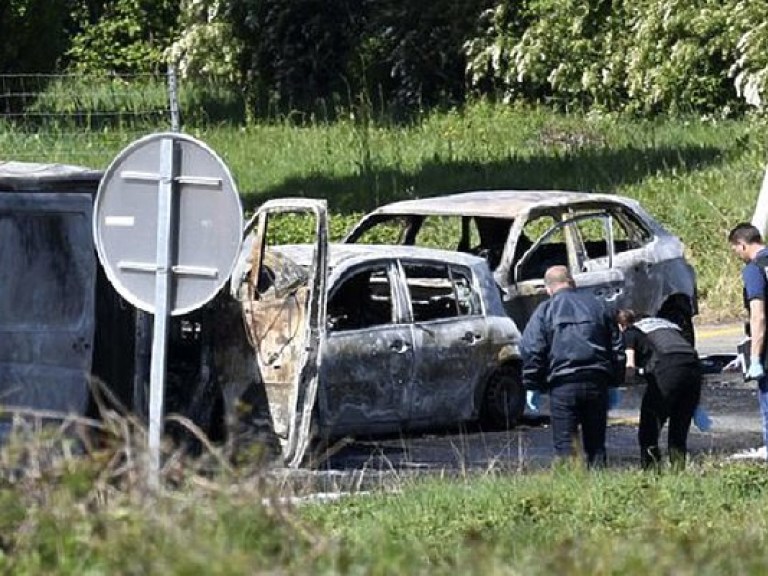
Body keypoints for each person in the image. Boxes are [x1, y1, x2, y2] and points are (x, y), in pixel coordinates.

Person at [520, 265, 624, 467]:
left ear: (548, 289)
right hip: (597, 382)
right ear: (572, 283)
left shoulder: (545, 311)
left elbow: (532, 350)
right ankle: (600, 492)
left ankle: (570, 493)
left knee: (566, 449)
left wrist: (532, 384)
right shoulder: (598, 306)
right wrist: (614, 382)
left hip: (563, 385)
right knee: (596, 448)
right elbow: (617, 347)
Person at [616, 309, 702, 469]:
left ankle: (651, 471)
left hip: (667, 369)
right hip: (693, 368)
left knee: (649, 425)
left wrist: (624, 380)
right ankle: (679, 471)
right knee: (679, 427)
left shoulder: (631, 331)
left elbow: (630, 366)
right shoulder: (669, 326)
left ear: (622, 325)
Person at [728, 222, 768, 459]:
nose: (737, 255)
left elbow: (759, 314)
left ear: (742, 245)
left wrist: (754, 357)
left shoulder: (754, 269)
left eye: (736, 251)